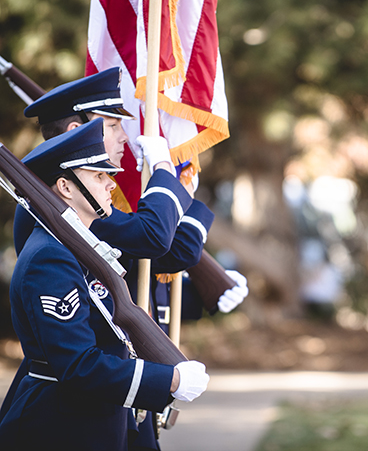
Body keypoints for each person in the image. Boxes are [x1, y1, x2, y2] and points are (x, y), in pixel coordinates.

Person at [7, 67, 249, 450]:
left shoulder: (77, 227)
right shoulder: (53, 241)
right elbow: (156, 241)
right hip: (72, 415)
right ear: (66, 186)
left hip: (110, 404)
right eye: (112, 125)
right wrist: (172, 177)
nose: (125, 137)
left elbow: (130, 283)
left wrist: (199, 293)